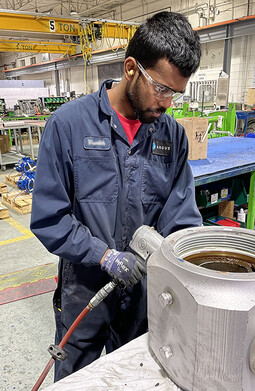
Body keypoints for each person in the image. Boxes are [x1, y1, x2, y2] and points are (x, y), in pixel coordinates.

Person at [30, 10, 202, 381]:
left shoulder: (171, 138)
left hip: (143, 297)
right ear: (130, 69)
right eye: (161, 88)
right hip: (86, 293)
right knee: (78, 382)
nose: (168, 102)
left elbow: (182, 220)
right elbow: (49, 217)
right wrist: (103, 256)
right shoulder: (68, 126)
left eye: (176, 92)